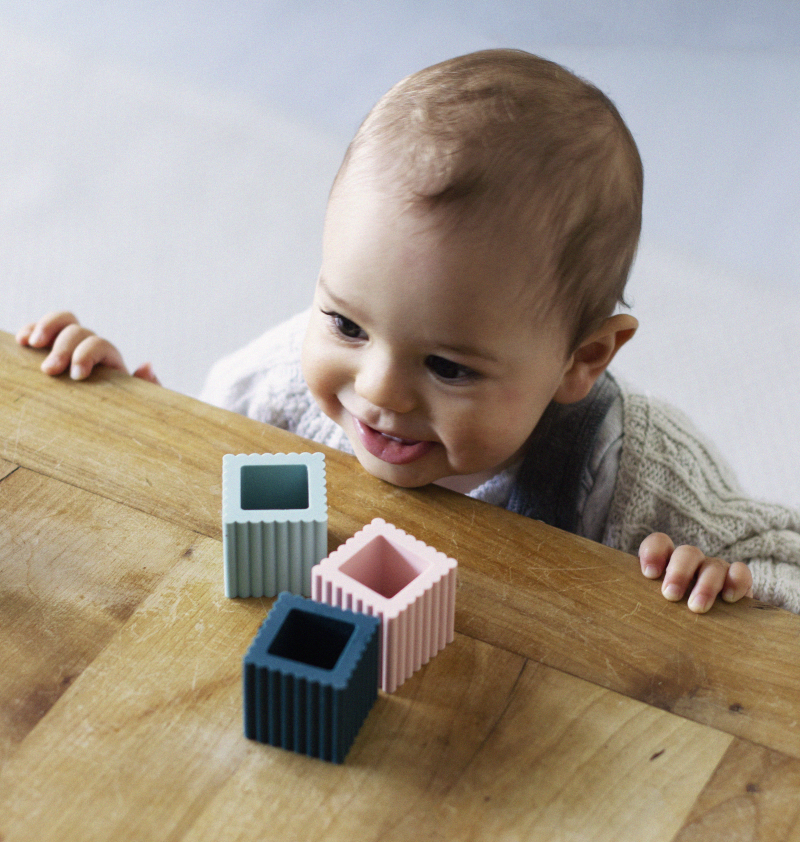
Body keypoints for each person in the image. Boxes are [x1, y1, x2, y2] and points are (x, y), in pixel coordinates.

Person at [17, 49, 800, 613]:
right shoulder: (283, 383)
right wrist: (130, 410)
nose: (378, 389)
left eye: (449, 368)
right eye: (346, 322)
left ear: (582, 359)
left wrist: (734, 584)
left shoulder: (635, 469)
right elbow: (198, 468)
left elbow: (786, 567)